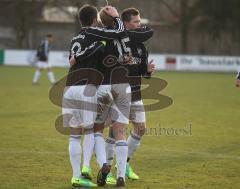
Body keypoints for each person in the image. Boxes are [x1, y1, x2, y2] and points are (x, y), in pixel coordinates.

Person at [64, 4, 126, 188]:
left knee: (75, 135)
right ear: (94, 20)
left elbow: (72, 60)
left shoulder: (75, 37)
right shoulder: (96, 34)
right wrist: (115, 16)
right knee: (93, 130)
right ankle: (101, 165)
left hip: (69, 87)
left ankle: (77, 176)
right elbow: (120, 34)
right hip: (86, 88)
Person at [93, 6, 154, 187]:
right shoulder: (115, 39)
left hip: (135, 93)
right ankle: (110, 169)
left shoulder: (141, 47)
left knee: (141, 129)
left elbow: (142, 71)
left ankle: (124, 163)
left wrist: (148, 71)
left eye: (139, 20)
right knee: (115, 131)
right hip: (119, 92)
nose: (139, 24)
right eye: (135, 22)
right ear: (125, 23)